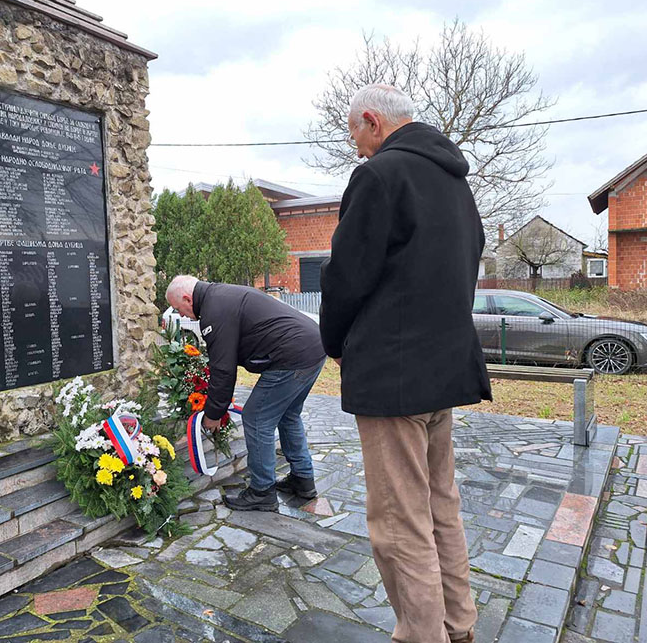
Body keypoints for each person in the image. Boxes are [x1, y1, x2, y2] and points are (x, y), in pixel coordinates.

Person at [319, 84, 492, 643]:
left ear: (373, 120)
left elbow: (346, 275)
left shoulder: (379, 176)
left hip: (392, 375)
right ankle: (458, 625)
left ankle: (421, 635)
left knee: (398, 522)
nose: (358, 149)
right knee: (441, 505)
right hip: (442, 370)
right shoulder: (456, 182)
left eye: (356, 135)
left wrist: (336, 340)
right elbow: (466, 265)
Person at [166, 275, 326, 511]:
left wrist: (213, 413)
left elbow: (223, 369)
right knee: (288, 415)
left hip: (292, 356)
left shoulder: (214, 309)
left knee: (256, 417)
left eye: (179, 309)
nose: (180, 316)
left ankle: (262, 491)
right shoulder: (219, 296)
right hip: (312, 347)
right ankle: (303, 480)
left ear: (188, 299)